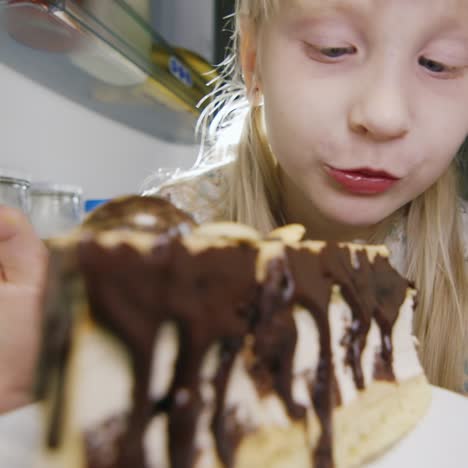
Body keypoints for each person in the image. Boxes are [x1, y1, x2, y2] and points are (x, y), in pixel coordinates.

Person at [0, 0, 467, 415]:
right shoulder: (167, 241)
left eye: (439, 63)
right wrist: (43, 379)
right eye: (333, 49)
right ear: (252, 58)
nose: (385, 114)